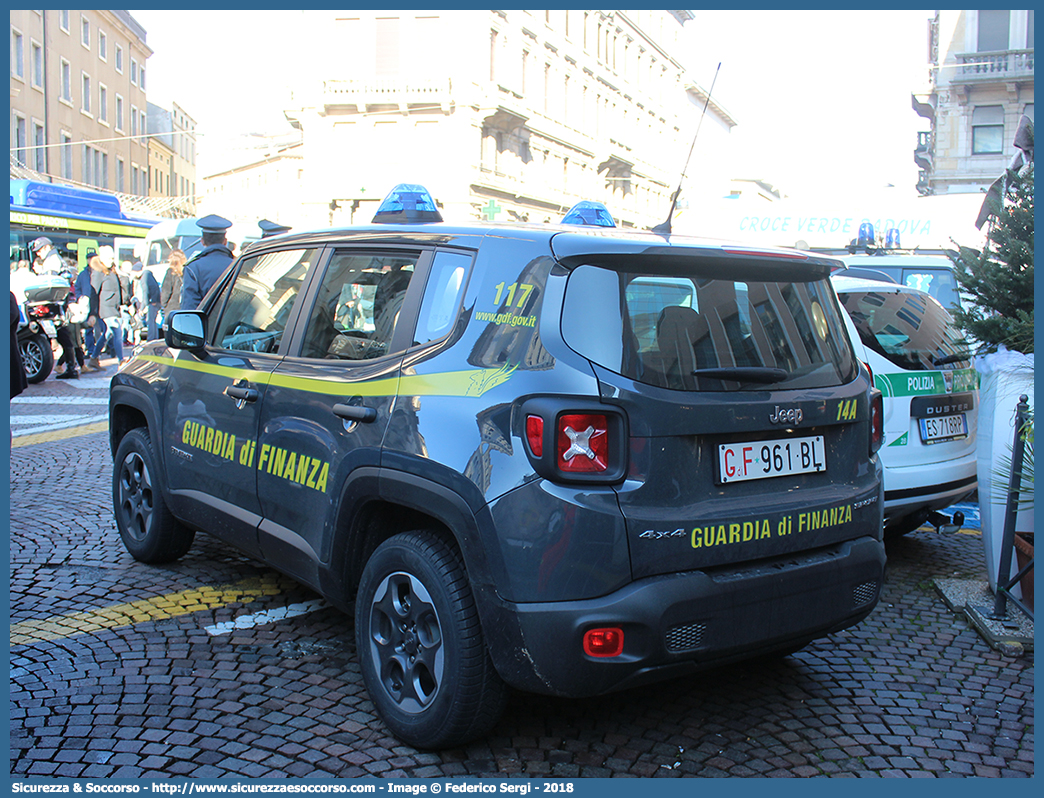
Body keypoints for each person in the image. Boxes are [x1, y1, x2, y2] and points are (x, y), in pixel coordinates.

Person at [181, 214, 233, 310]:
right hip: (234, 324)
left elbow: (189, 308)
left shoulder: (193, 268)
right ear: (225, 241)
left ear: (202, 241)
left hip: (204, 324)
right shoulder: (237, 265)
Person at [87, 246, 126, 369]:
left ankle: (94, 358)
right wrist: (92, 312)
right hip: (105, 308)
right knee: (117, 331)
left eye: (113, 258)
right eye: (109, 258)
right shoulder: (98, 272)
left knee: (107, 334)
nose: (111, 260)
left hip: (113, 307)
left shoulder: (111, 271)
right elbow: (93, 293)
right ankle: (121, 360)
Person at [130, 260, 162, 340]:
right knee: (153, 321)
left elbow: (146, 292)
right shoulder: (148, 275)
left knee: (150, 321)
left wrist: (142, 307)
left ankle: (151, 339)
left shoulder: (145, 278)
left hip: (152, 302)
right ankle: (155, 338)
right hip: (155, 301)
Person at [160, 249, 187, 329]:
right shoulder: (187, 271)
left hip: (172, 308)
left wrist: (163, 305)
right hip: (184, 307)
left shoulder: (171, 272)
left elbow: (166, 291)